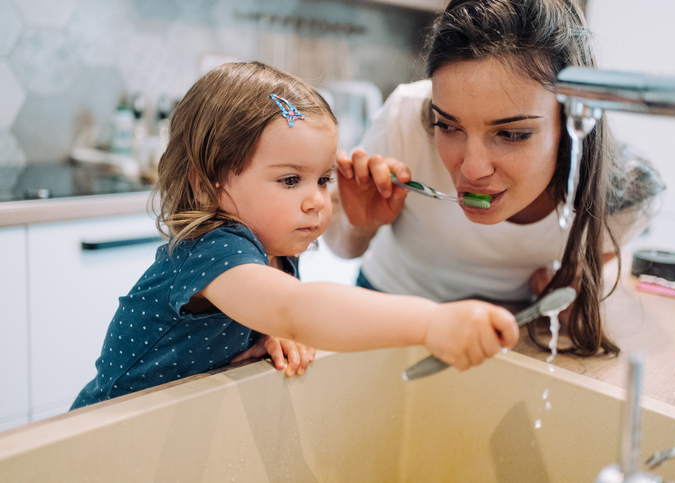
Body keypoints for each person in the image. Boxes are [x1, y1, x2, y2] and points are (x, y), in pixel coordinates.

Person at [70, 61, 519, 410]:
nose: (317, 202)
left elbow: (267, 311)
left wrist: (264, 335)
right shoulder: (212, 248)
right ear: (206, 184)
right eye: (290, 181)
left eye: (322, 179)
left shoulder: (275, 247)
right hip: (106, 433)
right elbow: (294, 307)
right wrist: (431, 322)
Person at [324, 0, 664, 357]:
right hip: (385, 313)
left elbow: (599, 262)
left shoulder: (619, 199)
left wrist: (575, 285)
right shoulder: (406, 118)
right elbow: (342, 247)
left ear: (570, 121)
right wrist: (359, 226)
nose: (472, 170)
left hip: (513, 334)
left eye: (512, 134)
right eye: (448, 126)